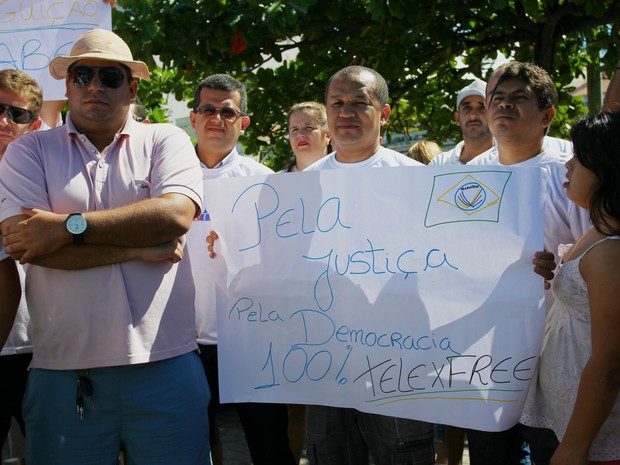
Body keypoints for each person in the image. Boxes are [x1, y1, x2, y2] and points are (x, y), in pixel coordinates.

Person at [0, 29, 210, 465]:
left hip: (165, 364)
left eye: (110, 77)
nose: (94, 86)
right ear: (67, 83)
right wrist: (134, 247)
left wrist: (66, 226)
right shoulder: (28, 151)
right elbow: (29, 246)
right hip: (61, 370)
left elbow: (174, 217)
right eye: (82, 75)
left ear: (132, 87)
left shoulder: (165, 139)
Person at [303, 65, 434, 465]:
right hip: (324, 358)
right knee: (331, 454)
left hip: (398, 358)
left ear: (385, 113)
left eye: (360, 103)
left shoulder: (419, 181)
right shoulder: (302, 185)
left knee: (402, 455)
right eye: (337, 103)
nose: (347, 113)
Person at [467, 61, 591, 465]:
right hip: (487, 352)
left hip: (557, 354)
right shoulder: (466, 178)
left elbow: (598, 253)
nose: (504, 106)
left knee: (547, 448)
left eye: (519, 98)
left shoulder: (572, 173)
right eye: (497, 99)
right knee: (489, 453)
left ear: (547, 115)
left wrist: (559, 269)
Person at [188, 74, 296, 465]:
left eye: (228, 111)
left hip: (252, 339)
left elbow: (284, 261)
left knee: (269, 447)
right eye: (208, 109)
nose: (217, 117)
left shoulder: (265, 181)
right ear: (193, 117)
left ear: (243, 121)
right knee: (188, 447)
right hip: (184, 340)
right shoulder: (168, 179)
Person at [521, 110, 620, 465]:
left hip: (597, 441)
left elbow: (609, 363)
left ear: (607, 169)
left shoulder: (611, 252)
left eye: (580, 158)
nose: (568, 165)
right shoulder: (598, 234)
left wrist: (575, 447)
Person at [0, 69, 43, 465]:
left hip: (43, 348)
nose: (4, 121)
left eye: (18, 114)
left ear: (36, 124)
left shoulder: (49, 174)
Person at [431, 78, 493, 165]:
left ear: (495, 115)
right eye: (467, 108)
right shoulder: (439, 164)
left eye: (482, 107)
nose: (473, 115)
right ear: (457, 118)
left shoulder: (512, 160)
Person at [286, 101, 330, 172]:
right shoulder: (276, 181)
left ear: (328, 135)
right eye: (295, 130)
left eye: (308, 128)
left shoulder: (346, 176)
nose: (300, 135)